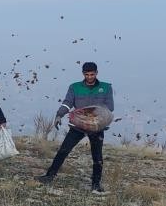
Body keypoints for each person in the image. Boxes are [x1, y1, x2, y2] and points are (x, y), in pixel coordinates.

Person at [37, 62, 114, 194]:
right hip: (79, 125)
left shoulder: (106, 87)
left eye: (92, 74)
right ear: (83, 74)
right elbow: (67, 103)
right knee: (64, 150)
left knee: (97, 156)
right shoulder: (74, 87)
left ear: (96, 73)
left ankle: (96, 184)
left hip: (96, 126)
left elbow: (109, 107)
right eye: (87, 74)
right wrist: (59, 114)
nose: (89, 77)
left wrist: (95, 115)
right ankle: (49, 176)